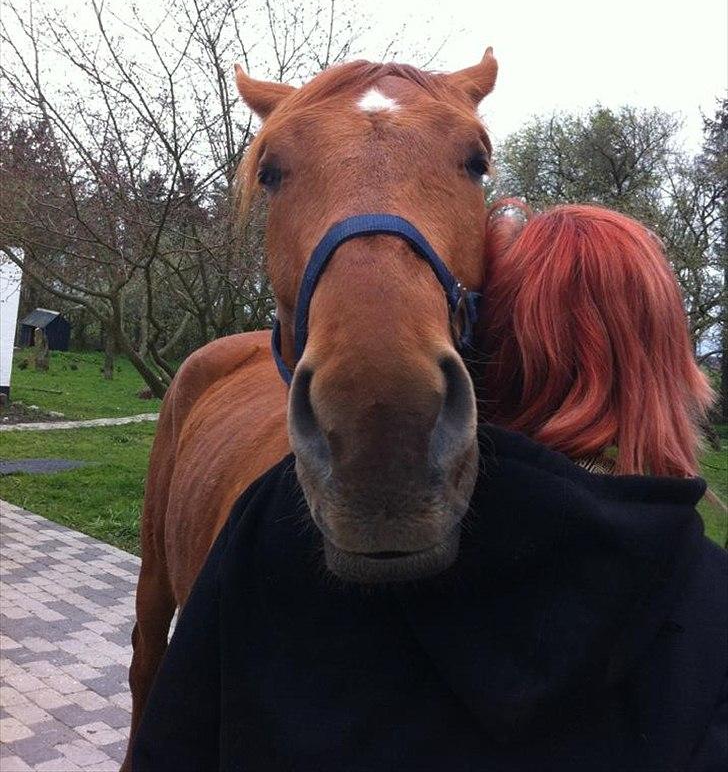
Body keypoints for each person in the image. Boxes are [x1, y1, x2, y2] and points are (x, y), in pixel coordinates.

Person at [132, 204, 726, 772]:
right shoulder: (705, 602)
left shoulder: (276, 519)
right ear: (670, 367)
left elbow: (176, 742)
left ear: (486, 345)